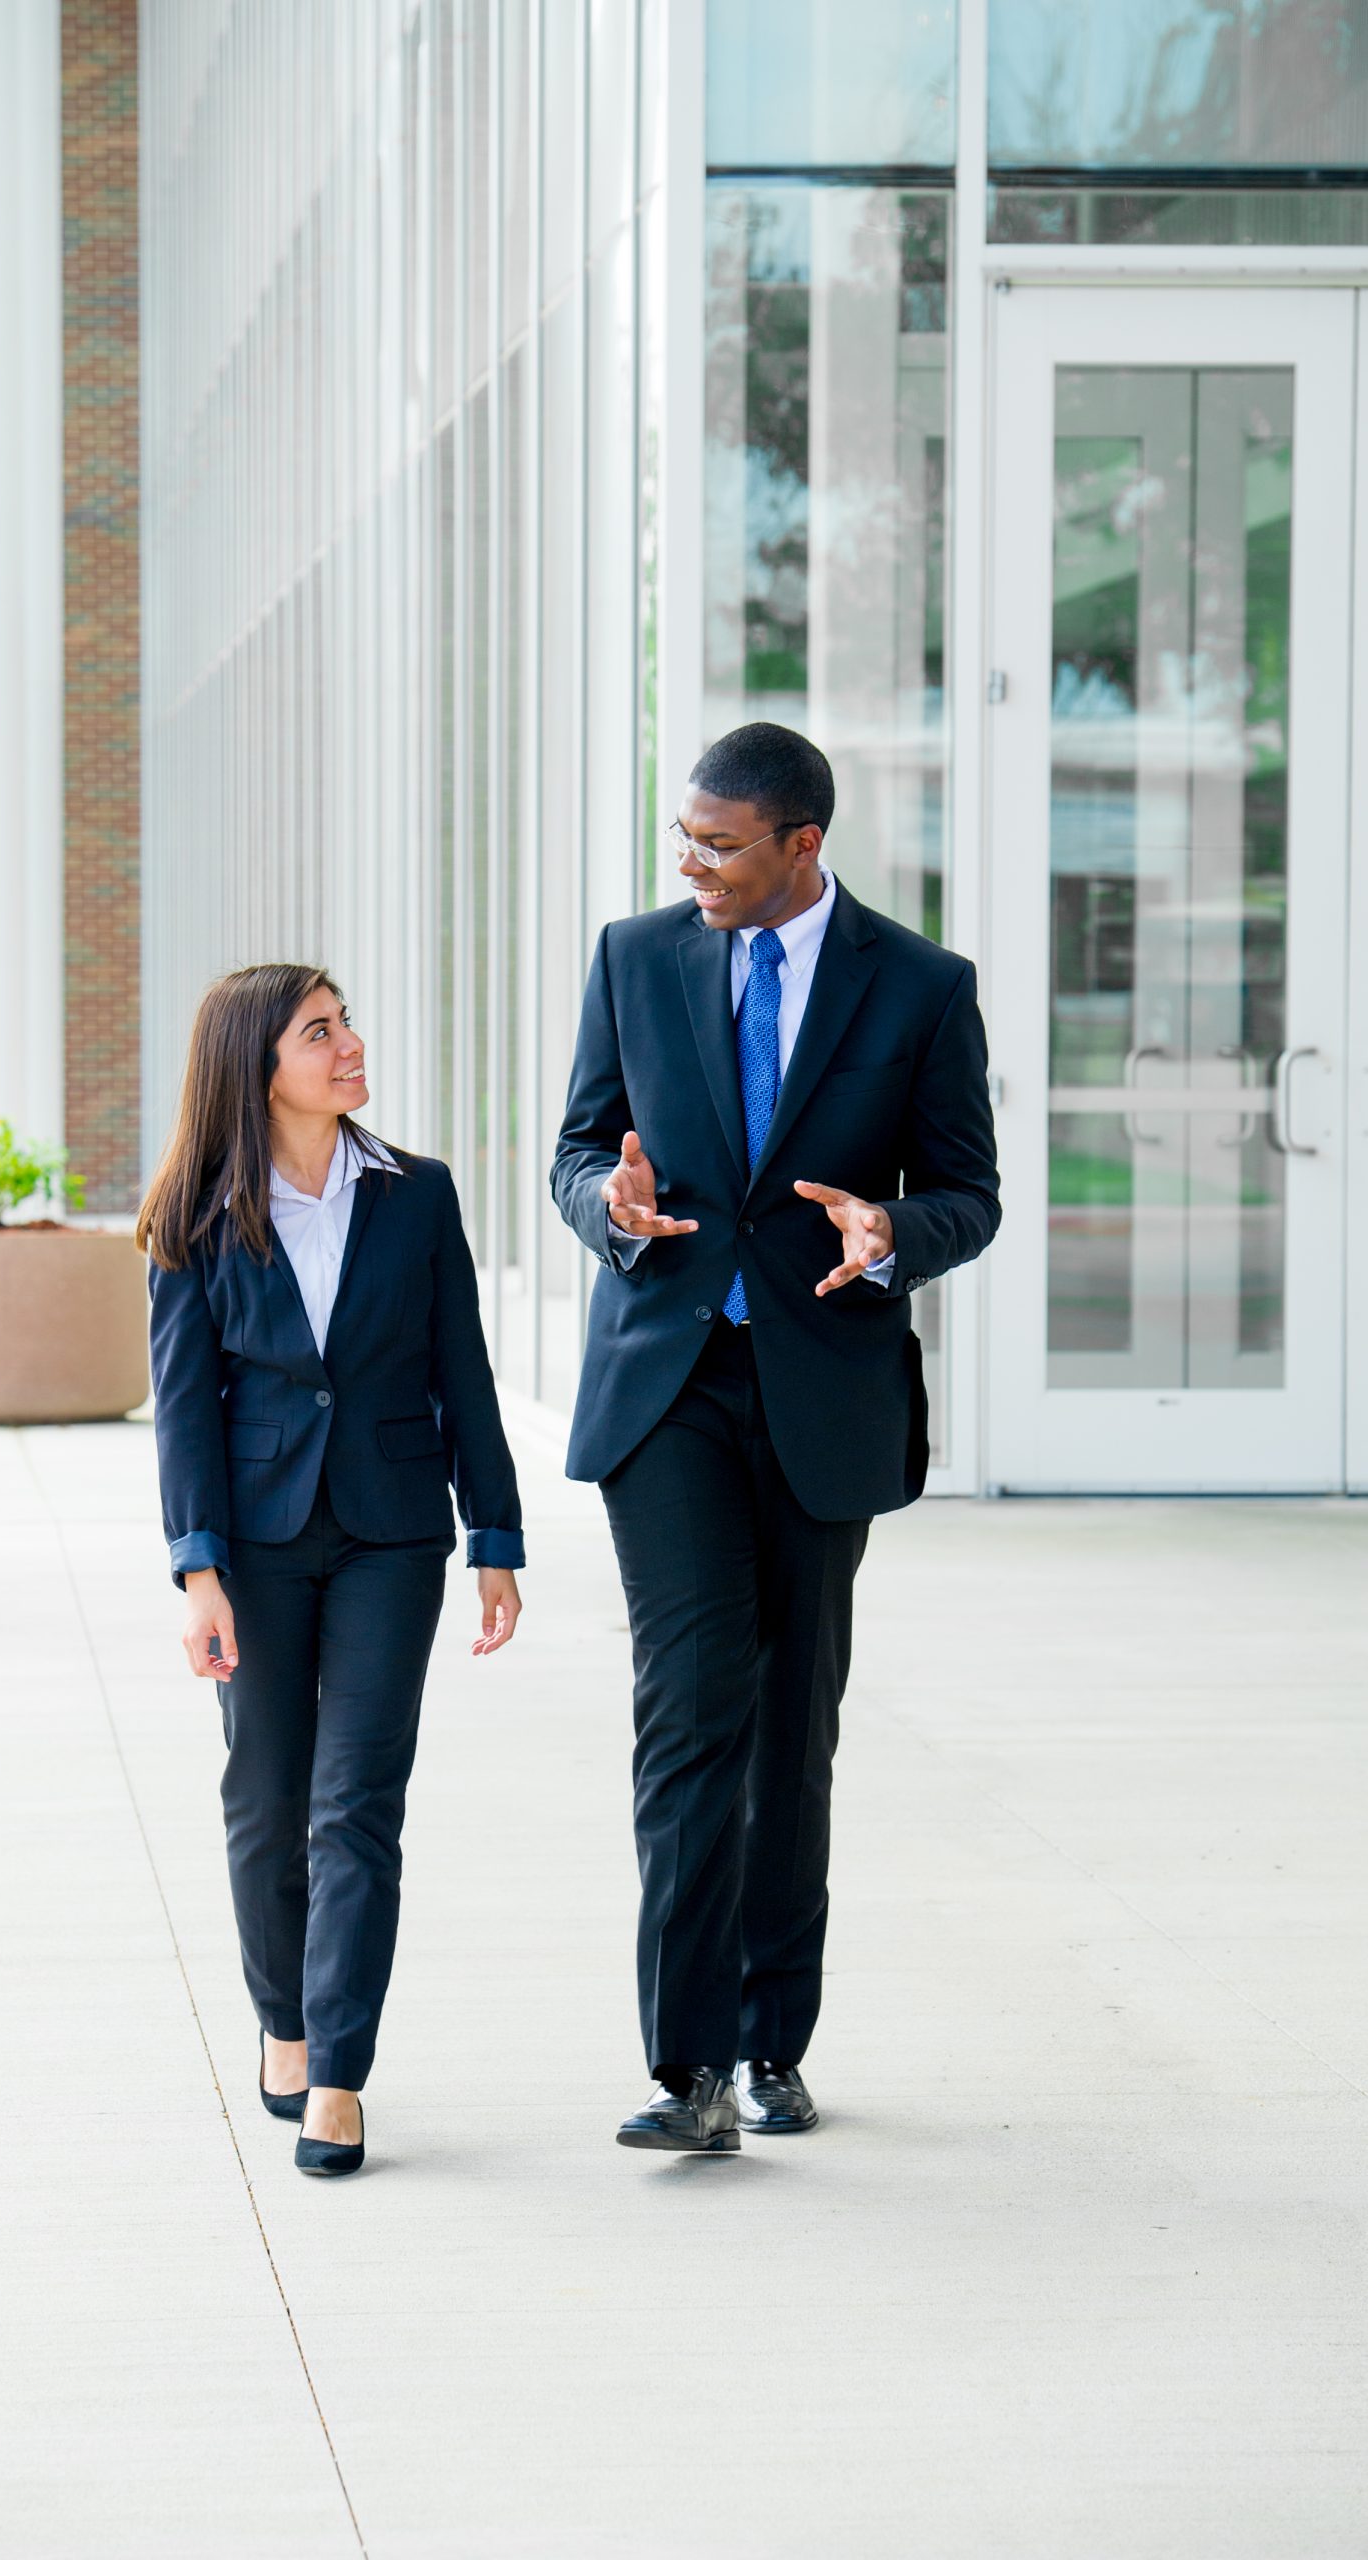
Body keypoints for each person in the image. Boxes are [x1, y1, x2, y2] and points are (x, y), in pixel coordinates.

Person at [551, 721, 999, 2153]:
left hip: (820, 1395)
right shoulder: (634, 958)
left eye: (718, 844)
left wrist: (890, 1235)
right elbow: (574, 1147)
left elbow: (966, 1193)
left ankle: (770, 2044)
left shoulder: (920, 987)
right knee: (690, 1715)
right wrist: (601, 1209)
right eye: (679, 837)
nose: (689, 865)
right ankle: (684, 2069)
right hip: (665, 1389)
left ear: (800, 844)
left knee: (790, 1727)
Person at [141, 963, 524, 2179]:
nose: (351, 1043)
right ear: (259, 1065)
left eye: (345, 1021)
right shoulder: (192, 1214)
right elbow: (182, 1408)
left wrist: (494, 1537)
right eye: (321, 1030)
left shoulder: (416, 1195)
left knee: (356, 1804)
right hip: (251, 1541)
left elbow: (460, 1370)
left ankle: (340, 2076)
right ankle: (287, 2020)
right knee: (265, 1802)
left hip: (388, 1533)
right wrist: (196, 1568)